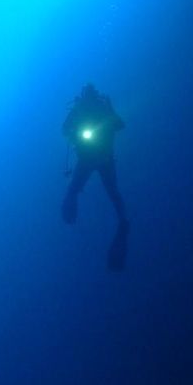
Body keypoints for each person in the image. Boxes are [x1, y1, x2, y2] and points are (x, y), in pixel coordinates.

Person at [61, 83, 130, 270]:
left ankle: (123, 221)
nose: (89, 99)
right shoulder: (78, 108)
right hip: (89, 158)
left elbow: (120, 124)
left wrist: (111, 109)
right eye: (87, 96)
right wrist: (75, 135)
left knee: (112, 192)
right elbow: (65, 128)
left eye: (91, 96)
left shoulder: (102, 106)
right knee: (73, 189)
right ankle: (70, 208)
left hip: (103, 158)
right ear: (84, 96)